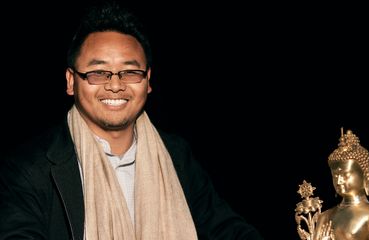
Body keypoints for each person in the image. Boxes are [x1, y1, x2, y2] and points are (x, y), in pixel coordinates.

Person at [0, 1, 263, 239]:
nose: (115, 85)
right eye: (98, 73)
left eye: (130, 72)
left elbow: (226, 229)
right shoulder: (29, 170)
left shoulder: (176, 155)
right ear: (71, 81)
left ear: (148, 80)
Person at [313, 129, 369, 240]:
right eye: (335, 176)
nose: (339, 181)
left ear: (365, 175)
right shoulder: (325, 216)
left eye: (345, 175)